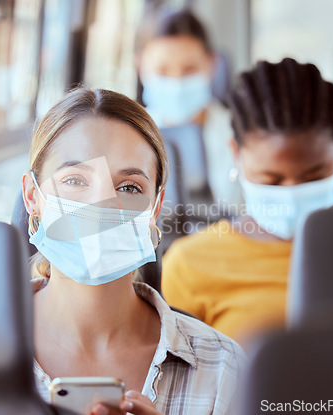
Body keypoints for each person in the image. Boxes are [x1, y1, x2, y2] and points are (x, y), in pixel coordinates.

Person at [22, 87, 245, 415]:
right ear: (32, 197)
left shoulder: (224, 369)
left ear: (155, 208)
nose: (101, 205)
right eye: (75, 180)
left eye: (129, 187)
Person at [162, 58, 333, 348]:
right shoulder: (190, 265)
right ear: (235, 153)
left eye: (314, 175)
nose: (292, 192)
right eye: (271, 180)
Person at [135, 8, 242, 208]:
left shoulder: (242, 134)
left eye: (189, 69)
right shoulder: (128, 134)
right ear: (141, 65)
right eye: (163, 70)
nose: (176, 84)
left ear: (212, 64)